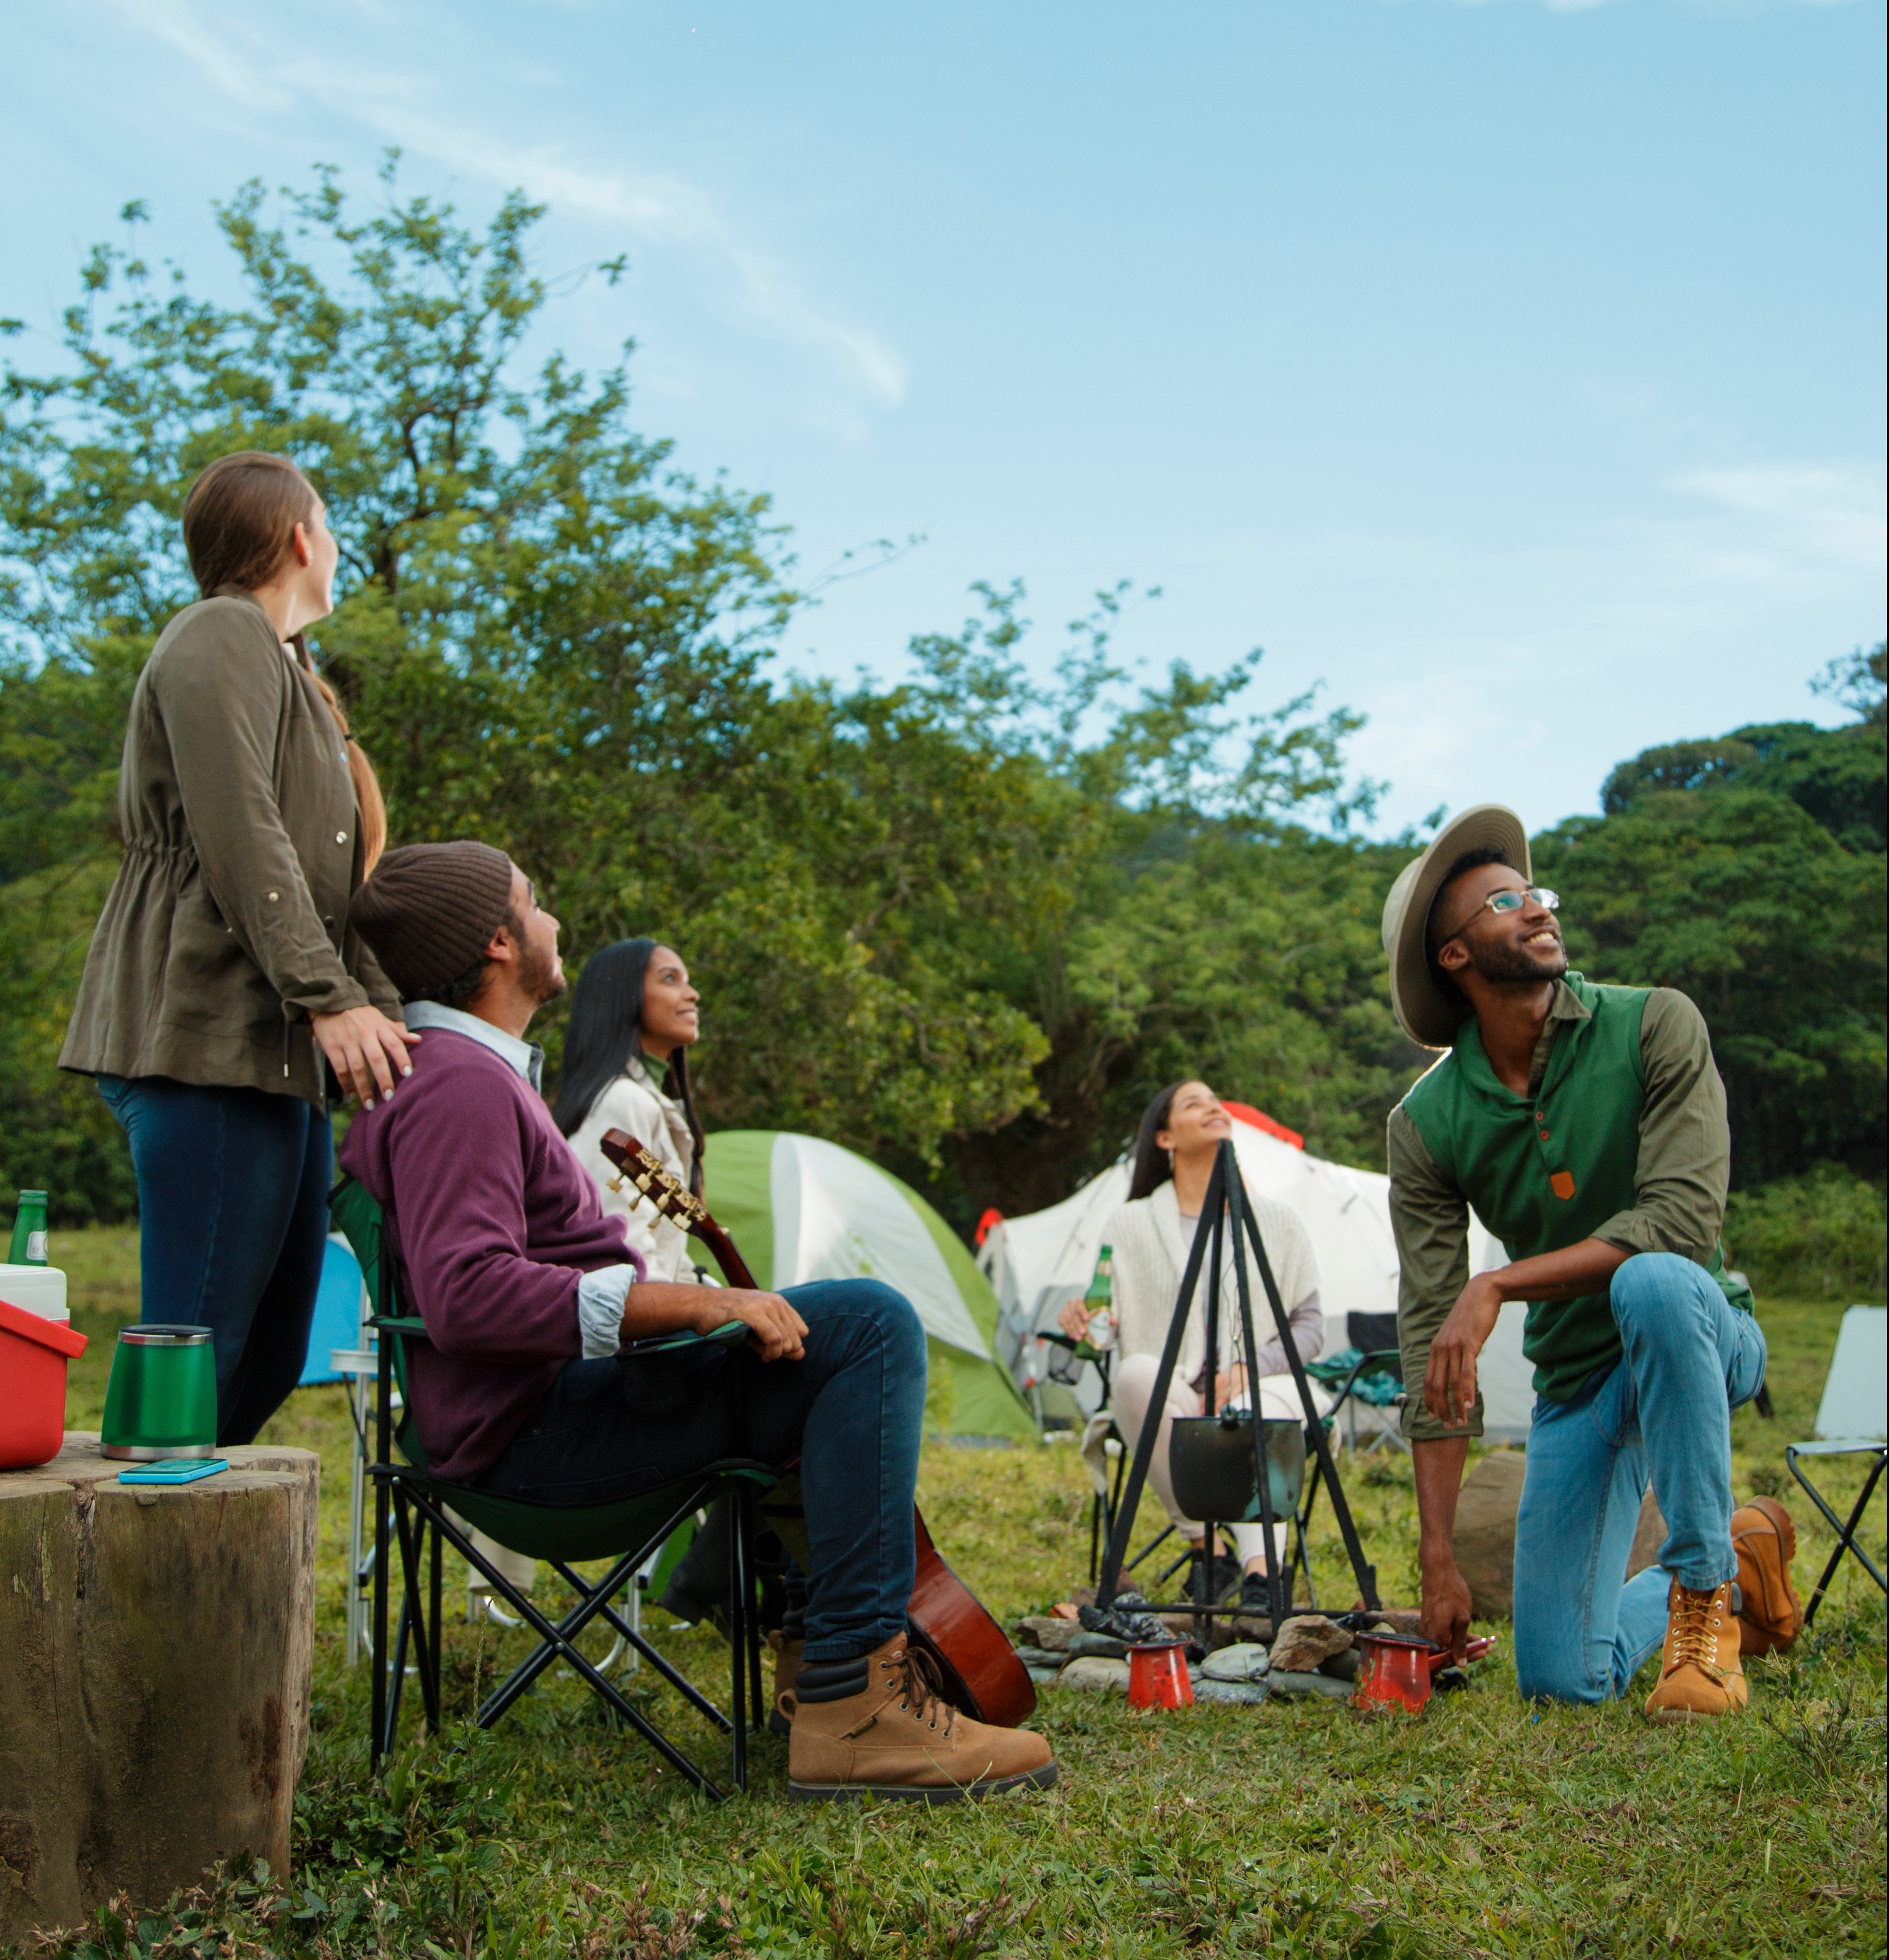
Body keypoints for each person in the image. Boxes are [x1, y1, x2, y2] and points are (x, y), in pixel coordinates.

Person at [341, 841, 1057, 1803]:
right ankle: (856, 1704)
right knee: (870, 1322)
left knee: (819, 1340)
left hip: (549, 1409)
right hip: (532, 1435)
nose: (556, 922)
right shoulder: (461, 1083)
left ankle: (822, 1671)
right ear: (501, 943)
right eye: (535, 900)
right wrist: (697, 1300)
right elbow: (469, 1293)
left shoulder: (466, 1075)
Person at [1381, 804, 1804, 1721]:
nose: (1537, 909)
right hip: (1578, 1382)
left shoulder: (1654, 1021)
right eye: (1504, 902)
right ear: (1453, 956)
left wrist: (1496, 1281)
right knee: (1561, 1679)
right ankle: (1743, 1549)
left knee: (1648, 1278)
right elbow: (1428, 1340)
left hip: (1699, 1329)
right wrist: (1438, 1558)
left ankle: (1702, 1603)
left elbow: (1682, 1222)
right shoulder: (1425, 1125)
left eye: (1536, 893)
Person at [60, 451, 416, 1444]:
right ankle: (124, 1582)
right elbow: (239, 830)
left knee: (262, 1355)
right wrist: (326, 995)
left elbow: (335, 892)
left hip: (278, 1057)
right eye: (330, 524)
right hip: (203, 1037)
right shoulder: (220, 632)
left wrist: (387, 1016)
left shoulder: (299, 680)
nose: (337, 545)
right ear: (299, 537)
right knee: (196, 1349)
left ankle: (178, 1564)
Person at [1062, 1080, 1326, 1612]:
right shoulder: (1131, 1223)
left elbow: (1310, 1327)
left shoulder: (1276, 1220)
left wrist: (1251, 1366)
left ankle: (1261, 1574)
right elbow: (1108, 1324)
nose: (1213, 1107)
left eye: (1215, 1101)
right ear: (1164, 1139)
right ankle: (1206, 1548)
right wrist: (1085, 1318)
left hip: (1266, 1386)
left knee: (1247, 1408)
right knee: (1136, 1375)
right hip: (1179, 1391)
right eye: (1193, 1103)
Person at [556, 938, 709, 1280]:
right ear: (624, 997)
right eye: (670, 979)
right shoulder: (621, 1101)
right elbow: (626, 1256)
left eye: (687, 979)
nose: (692, 994)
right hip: (645, 1322)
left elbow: (667, 1252)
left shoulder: (646, 1099)